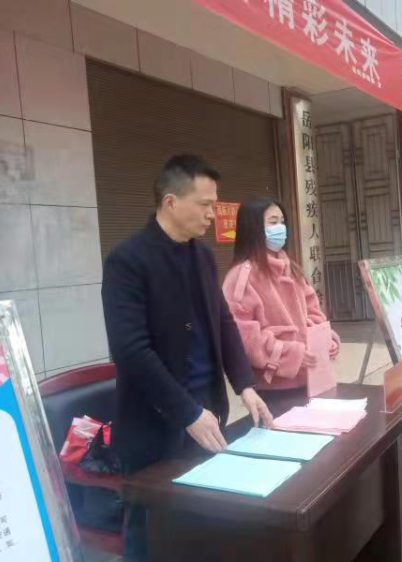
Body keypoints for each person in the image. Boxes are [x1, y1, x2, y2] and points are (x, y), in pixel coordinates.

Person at [101, 154, 273, 560]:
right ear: (171, 202)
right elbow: (131, 351)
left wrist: (245, 386)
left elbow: (223, 322)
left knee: (199, 531)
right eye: (205, 204)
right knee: (150, 537)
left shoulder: (202, 257)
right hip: (154, 428)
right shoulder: (128, 261)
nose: (213, 214)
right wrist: (187, 412)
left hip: (208, 417)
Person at [222, 196, 340, 391]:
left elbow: (313, 311)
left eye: (282, 222)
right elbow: (242, 336)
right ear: (253, 228)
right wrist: (290, 355)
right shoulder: (241, 277)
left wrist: (325, 339)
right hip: (273, 388)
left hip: (311, 379)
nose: (280, 228)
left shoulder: (291, 268)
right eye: (273, 222)